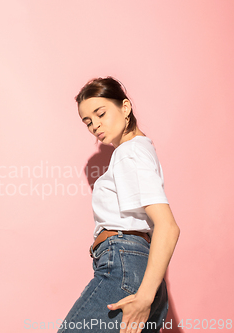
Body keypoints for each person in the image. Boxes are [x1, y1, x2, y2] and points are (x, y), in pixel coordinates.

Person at [57, 77, 180, 333]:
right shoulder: (141, 150)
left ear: (125, 107)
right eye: (87, 121)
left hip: (126, 267)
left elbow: (167, 226)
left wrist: (144, 297)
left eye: (100, 113)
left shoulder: (129, 152)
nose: (94, 125)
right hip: (141, 272)